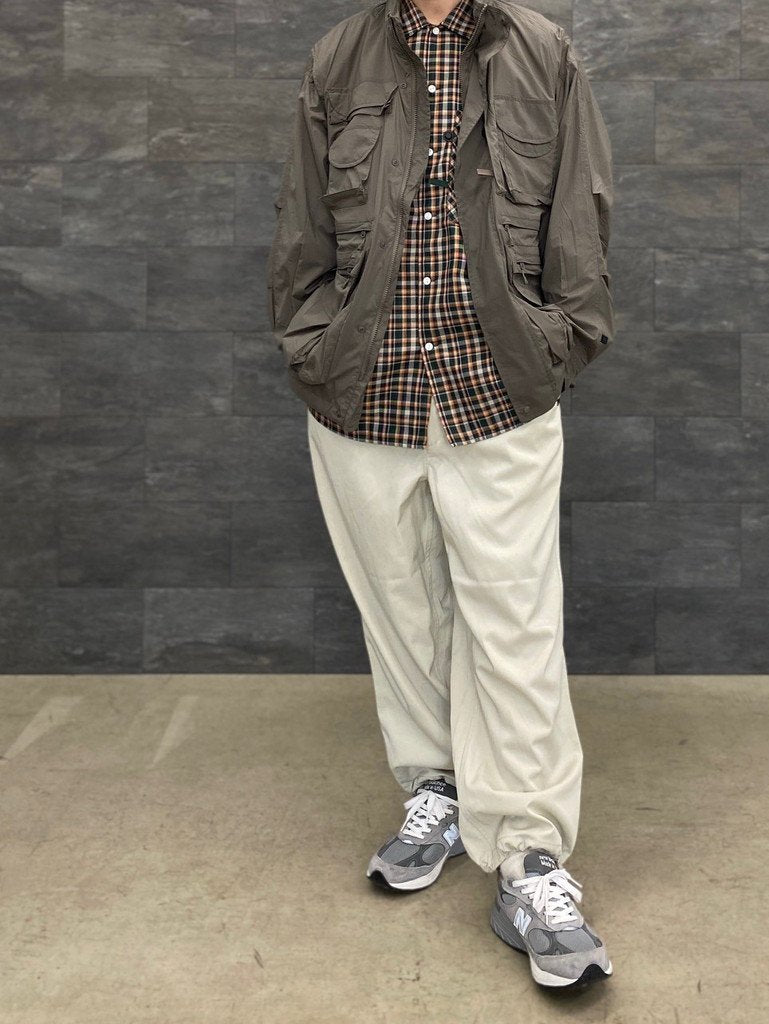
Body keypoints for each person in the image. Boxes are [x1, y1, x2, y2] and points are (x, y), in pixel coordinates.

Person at [266, 0, 614, 991]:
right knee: (402, 613)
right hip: (361, 388)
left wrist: (558, 341)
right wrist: (311, 344)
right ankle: (439, 790)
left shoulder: (541, 52)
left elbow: (581, 211)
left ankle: (530, 855)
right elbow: (301, 224)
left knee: (514, 622)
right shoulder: (338, 56)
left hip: (499, 388)